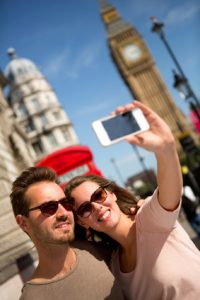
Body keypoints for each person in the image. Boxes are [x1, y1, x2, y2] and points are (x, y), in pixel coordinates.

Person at [65, 101, 200, 300]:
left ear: (112, 194)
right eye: (85, 208)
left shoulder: (149, 218)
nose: (96, 206)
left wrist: (165, 149)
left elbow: (170, 190)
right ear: (83, 221)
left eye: (98, 196)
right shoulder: (114, 266)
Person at [10, 166, 126, 300]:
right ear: (23, 223)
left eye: (65, 203)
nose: (63, 213)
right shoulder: (32, 297)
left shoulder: (99, 251)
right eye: (48, 207)